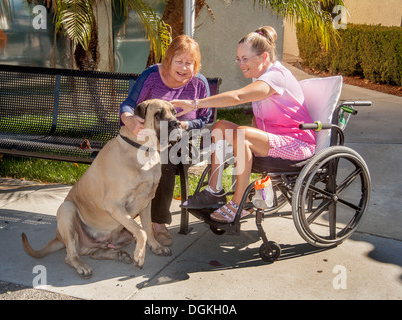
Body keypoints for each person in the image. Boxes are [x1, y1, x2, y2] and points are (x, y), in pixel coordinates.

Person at [172, 26, 316, 223]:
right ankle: (214, 190)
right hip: (272, 140)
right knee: (220, 126)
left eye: (245, 59)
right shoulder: (261, 76)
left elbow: (238, 97)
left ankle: (238, 202)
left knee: (240, 135)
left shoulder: (276, 76)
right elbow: (258, 119)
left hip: (296, 143)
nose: (240, 64)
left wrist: (195, 104)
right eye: (238, 59)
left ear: (264, 56)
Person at [120, 35, 211, 245]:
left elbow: (206, 117)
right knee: (136, 158)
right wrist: (129, 119)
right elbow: (128, 104)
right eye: (179, 61)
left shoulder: (199, 83)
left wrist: (187, 125)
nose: (183, 67)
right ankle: (124, 219)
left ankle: (158, 223)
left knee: (165, 159)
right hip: (147, 135)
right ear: (168, 59)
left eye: (189, 63)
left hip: (183, 138)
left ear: (196, 65)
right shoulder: (152, 75)